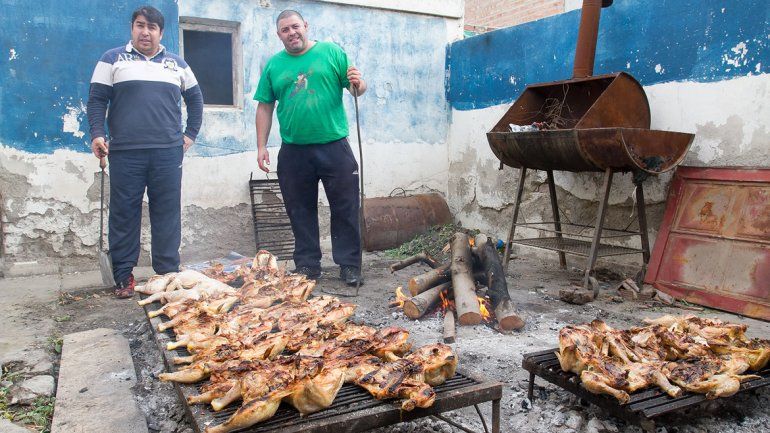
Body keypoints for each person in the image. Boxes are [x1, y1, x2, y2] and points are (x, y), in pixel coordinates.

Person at [87, 5, 203, 298]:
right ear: (132, 28)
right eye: (140, 25)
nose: (145, 32)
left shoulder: (177, 64)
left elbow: (196, 100)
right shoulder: (112, 59)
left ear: (161, 33)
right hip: (126, 152)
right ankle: (123, 276)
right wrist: (97, 135)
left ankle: (166, 273)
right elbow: (97, 100)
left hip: (167, 153)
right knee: (124, 214)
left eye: (152, 27)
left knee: (166, 213)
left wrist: (189, 136)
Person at [254, 9, 367, 286]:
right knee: (299, 209)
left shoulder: (331, 52)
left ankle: (350, 265)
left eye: (295, 26)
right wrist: (261, 146)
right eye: (285, 30)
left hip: (334, 145)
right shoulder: (274, 65)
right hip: (294, 151)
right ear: (279, 35)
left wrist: (359, 83)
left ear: (305, 25)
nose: (292, 33)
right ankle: (307, 264)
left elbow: (355, 89)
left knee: (345, 207)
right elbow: (265, 106)